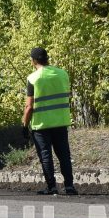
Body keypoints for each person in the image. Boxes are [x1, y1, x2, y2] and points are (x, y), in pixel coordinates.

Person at [22, 47, 76, 195]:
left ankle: (51, 187)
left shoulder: (33, 78)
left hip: (41, 124)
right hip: (60, 121)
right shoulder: (62, 74)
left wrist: (24, 125)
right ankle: (69, 186)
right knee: (64, 155)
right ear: (47, 58)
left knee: (46, 156)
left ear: (33, 61)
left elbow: (29, 106)